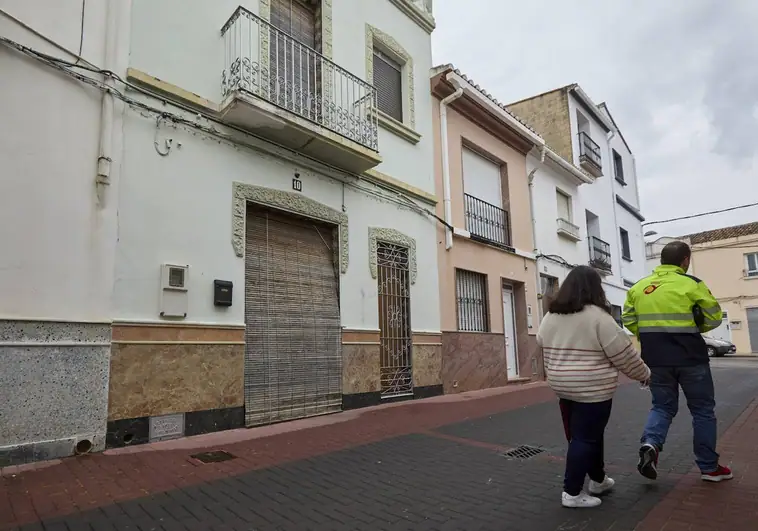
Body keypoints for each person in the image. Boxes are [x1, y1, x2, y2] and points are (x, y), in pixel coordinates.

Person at [538, 265, 651, 509]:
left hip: (562, 387)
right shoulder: (599, 318)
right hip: (592, 389)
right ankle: (572, 492)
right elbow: (624, 354)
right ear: (595, 288)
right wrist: (644, 374)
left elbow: (540, 341)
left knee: (588, 436)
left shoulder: (551, 315)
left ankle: (598, 480)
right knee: (585, 439)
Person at [622, 240, 732, 483]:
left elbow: (627, 317)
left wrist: (647, 336)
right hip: (691, 357)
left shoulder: (640, 287)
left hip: (655, 360)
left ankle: (651, 444)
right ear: (685, 260)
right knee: (702, 411)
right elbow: (714, 316)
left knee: (662, 407)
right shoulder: (692, 284)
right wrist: (695, 327)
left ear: (661, 261)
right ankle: (709, 467)